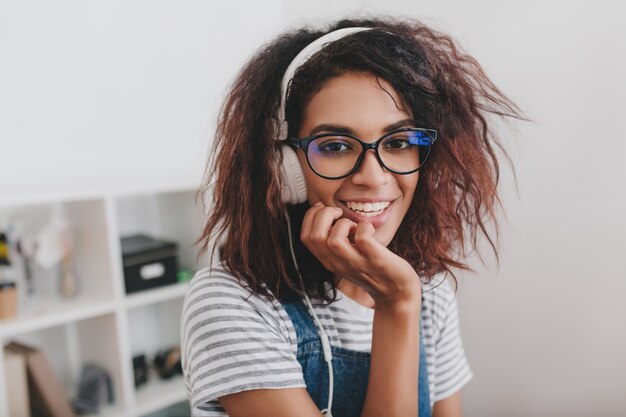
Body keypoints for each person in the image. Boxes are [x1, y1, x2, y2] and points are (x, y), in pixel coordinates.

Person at [181, 17, 521, 417]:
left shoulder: (430, 290)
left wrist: (407, 298)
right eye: (337, 145)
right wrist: (396, 305)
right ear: (285, 168)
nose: (373, 177)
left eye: (398, 142)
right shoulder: (232, 302)